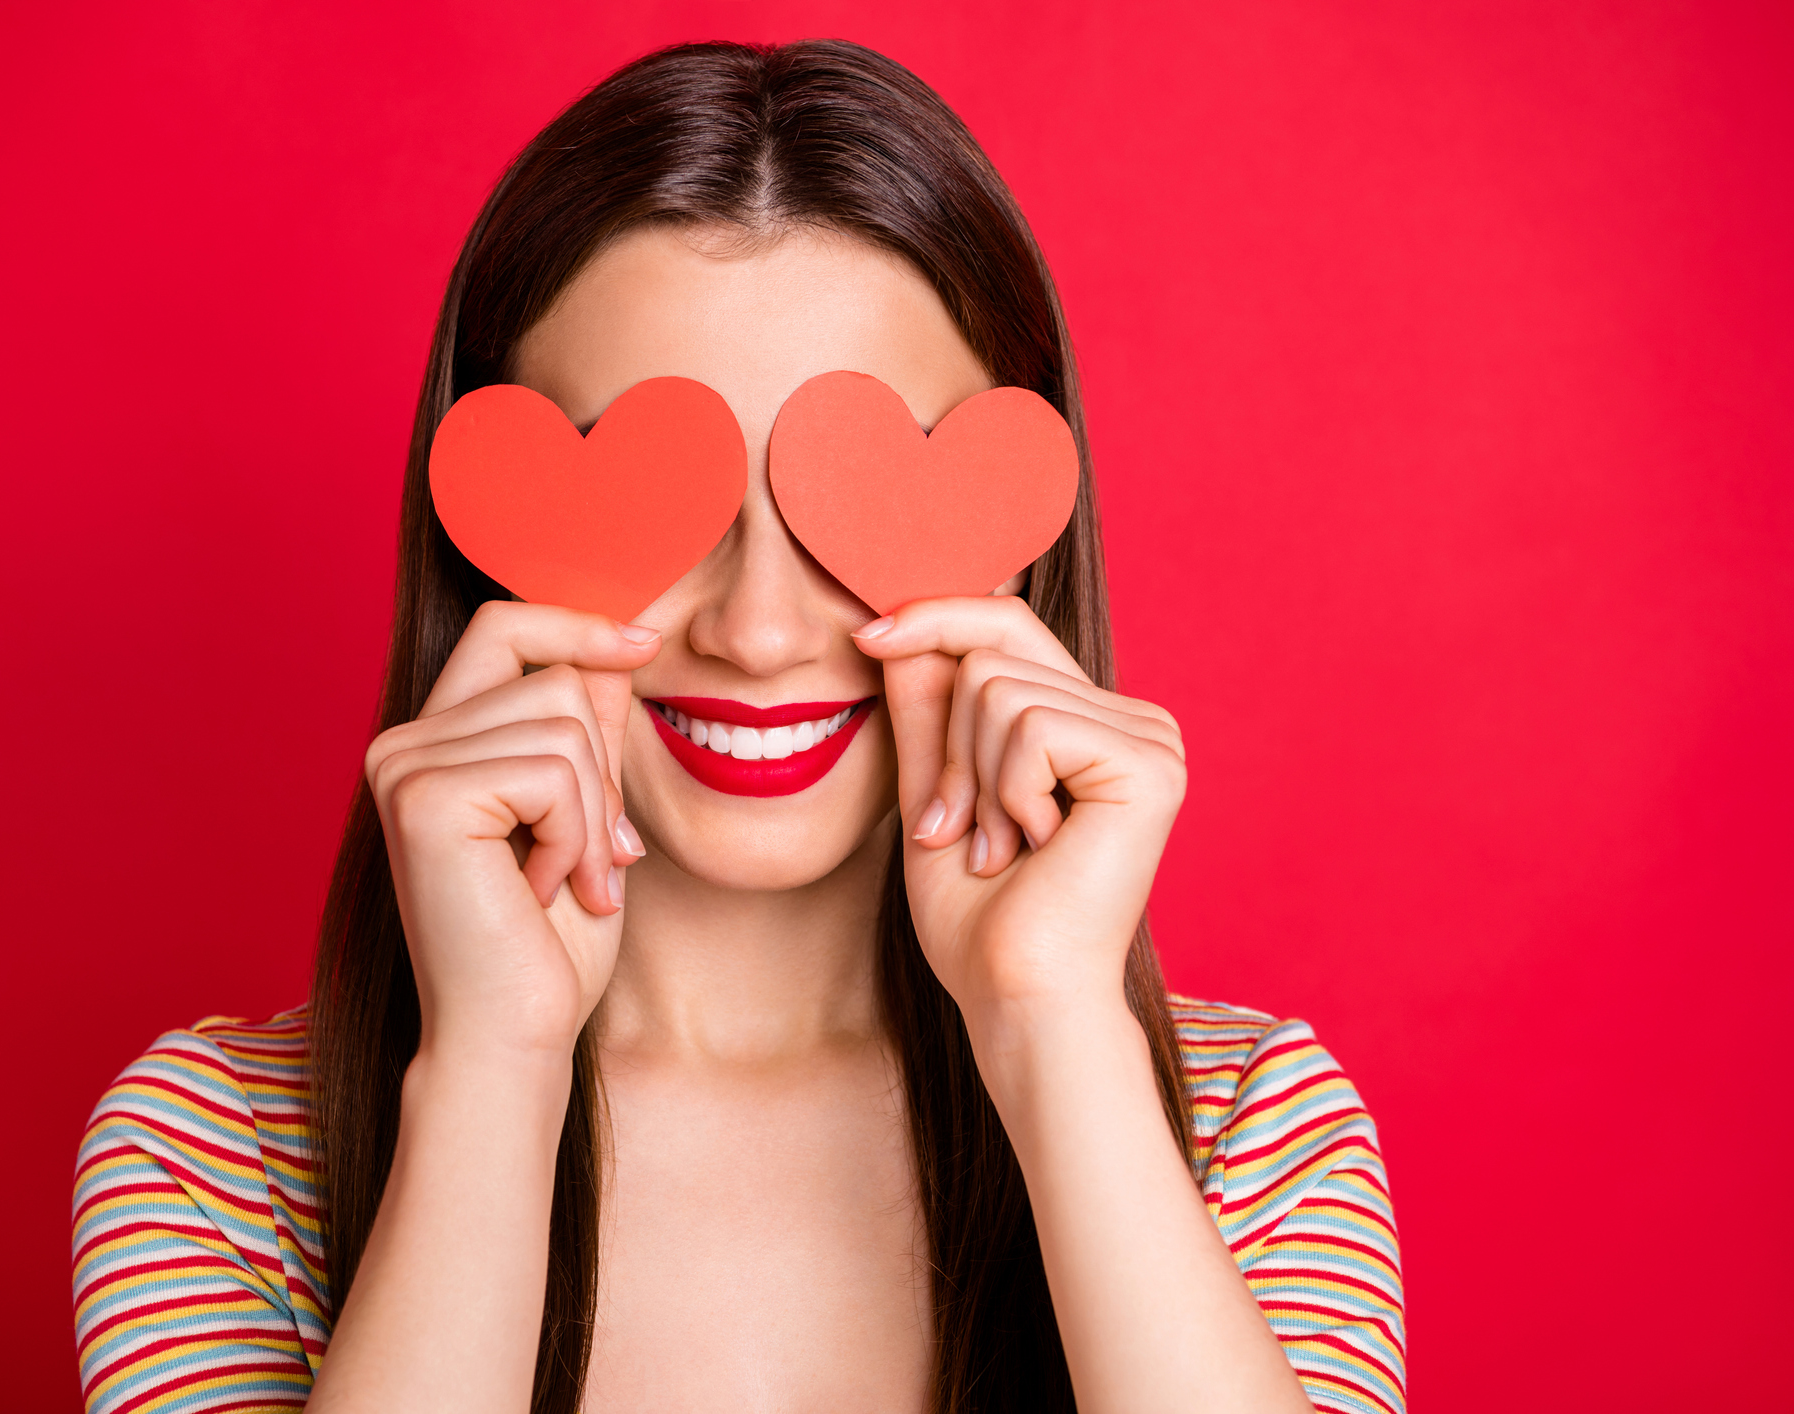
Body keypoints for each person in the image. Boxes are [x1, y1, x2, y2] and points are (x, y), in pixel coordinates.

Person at [71, 39, 1404, 1414]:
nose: (759, 631)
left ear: (1012, 546)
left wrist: (1052, 1025)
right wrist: (496, 1066)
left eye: (857, 503)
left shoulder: (1249, 1132)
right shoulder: (217, 1152)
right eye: (662, 501)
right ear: (490, 546)